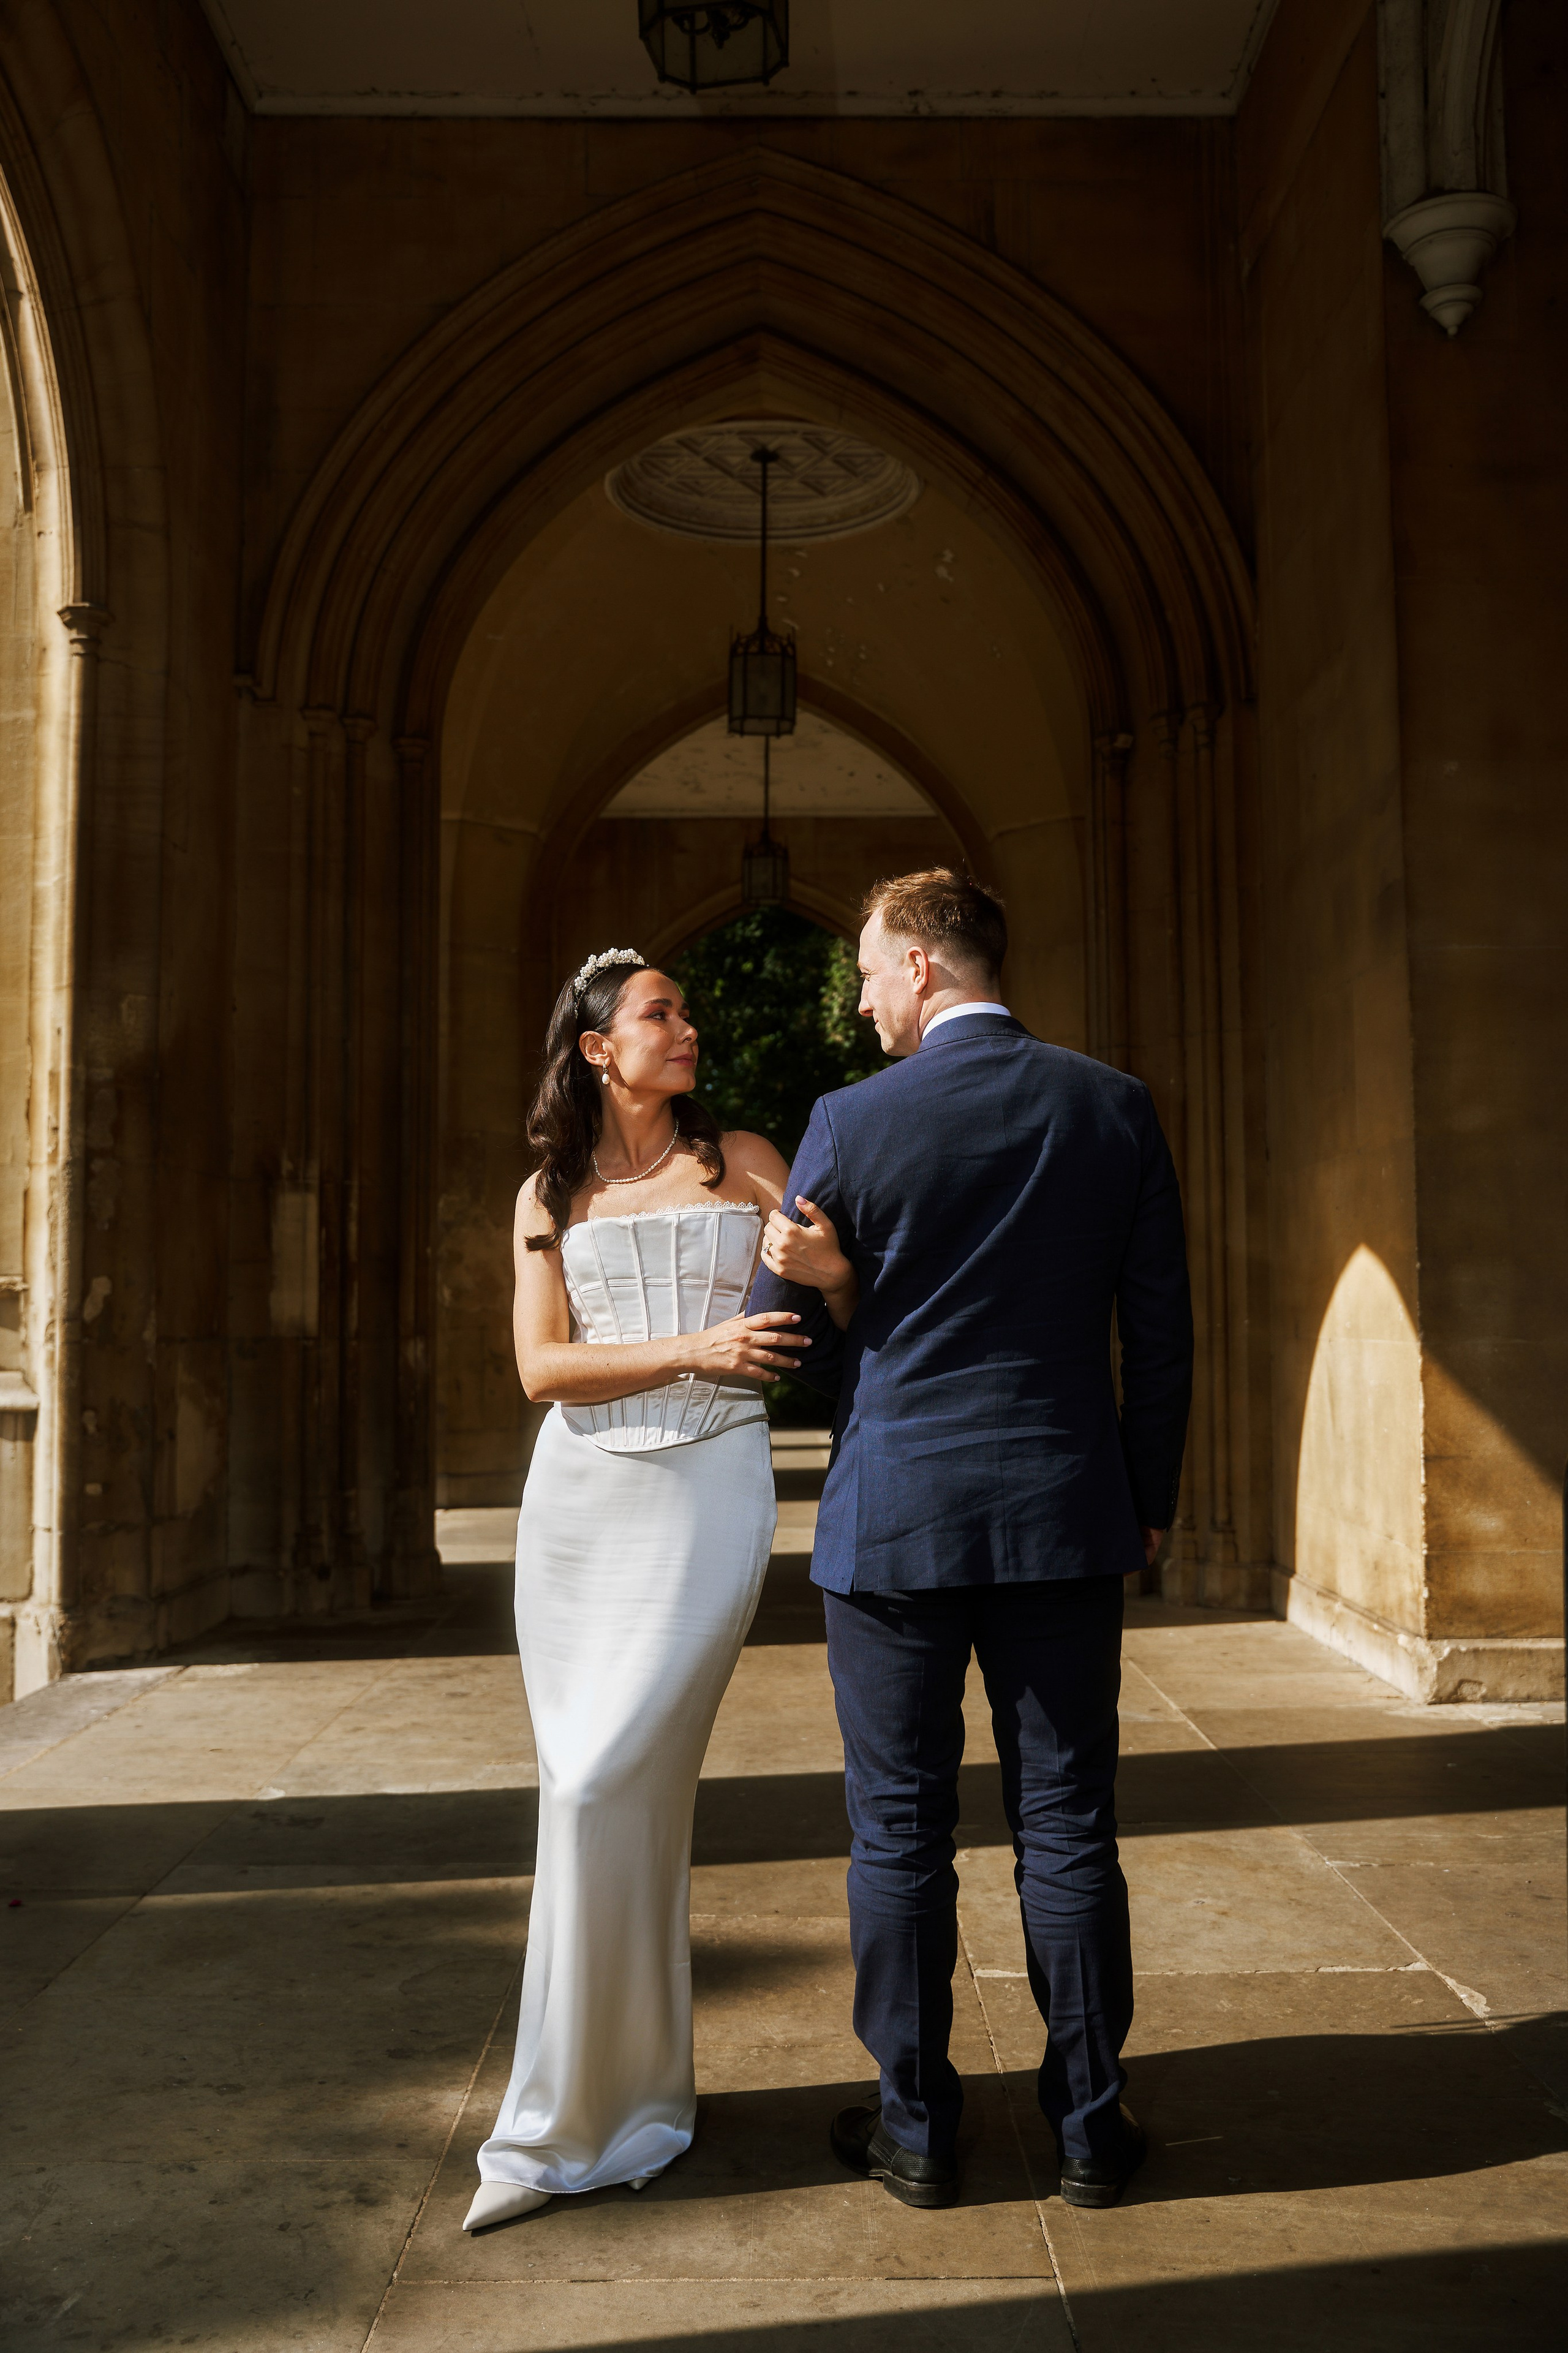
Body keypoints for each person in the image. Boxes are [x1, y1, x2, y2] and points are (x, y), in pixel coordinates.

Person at [752, 869, 1192, 2213]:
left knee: (897, 1832)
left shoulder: (847, 1121)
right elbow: (1159, 1330)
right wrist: (1147, 1495)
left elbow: (782, 1335)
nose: (864, 994)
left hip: (892, 1524)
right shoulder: (1110, 1106)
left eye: (873, 971)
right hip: (1065, 1511)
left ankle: (915, 2128)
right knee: (1066, 1825)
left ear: (927, 969)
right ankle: (1086, 2126)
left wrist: (841, 1290)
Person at [463, 947, 809, 2233]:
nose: (689, 1027)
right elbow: (541, 1370)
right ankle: (617, 2102)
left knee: (611, 1775)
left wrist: (821, 1277)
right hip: (578, 1510)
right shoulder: (543, 1192)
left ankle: (577, 2118)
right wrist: (695, 1343)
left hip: (709, 1489)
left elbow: (835, 1283)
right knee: (586, 1789)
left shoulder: (747, 1158)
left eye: (687, 1011)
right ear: (597, 1046)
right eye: (660, 1012)